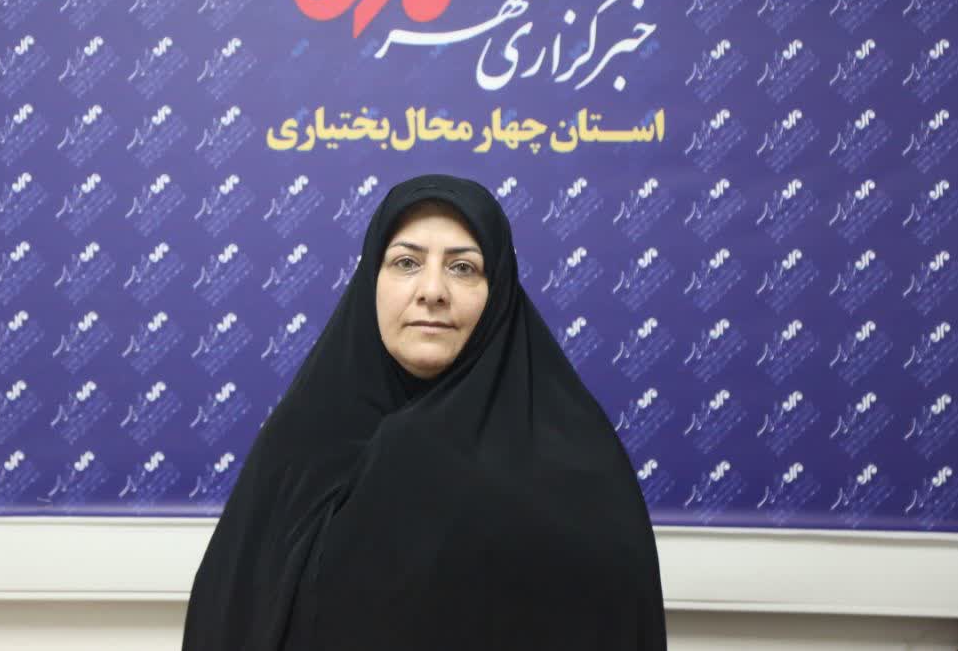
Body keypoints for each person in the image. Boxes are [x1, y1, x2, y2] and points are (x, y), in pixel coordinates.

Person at [182, 173, 667, 650]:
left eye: (463, 268)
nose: (432, 290)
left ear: (498, 291)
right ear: (370, 281)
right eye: (407, 262)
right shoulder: (296, 448)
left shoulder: (577, 469)